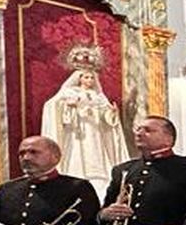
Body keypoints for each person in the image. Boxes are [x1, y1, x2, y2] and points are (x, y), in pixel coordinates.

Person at [40, 58, 128, 186]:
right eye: (86, 77)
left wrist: (112, 113)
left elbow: (106, 117)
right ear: (79, 78)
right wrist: (69, 107)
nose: (90, 80)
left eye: (92, 78)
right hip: (77, 131)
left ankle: (98, 176)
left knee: (95, 150)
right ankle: (77, 173)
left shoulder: (98, 96)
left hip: (95, 131)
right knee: (78, 151)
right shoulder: (69, 92)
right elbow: (53, 105)